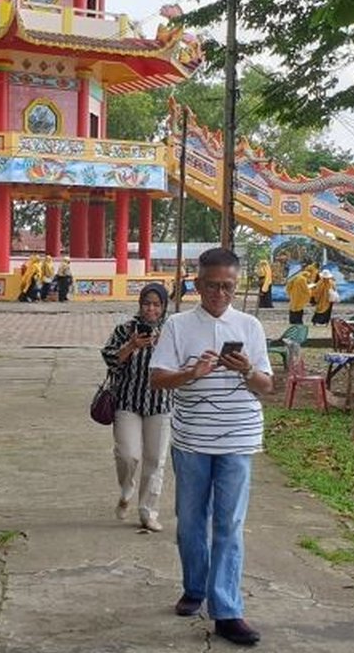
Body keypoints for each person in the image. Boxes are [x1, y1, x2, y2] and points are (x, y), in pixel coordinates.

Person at [150, 247, 272, 647]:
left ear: (237, 286)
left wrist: (247, 370)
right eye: (212, 285)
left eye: (228, 286)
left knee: (229, 525)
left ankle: (227, 610)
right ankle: (194, 587)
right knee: (190, 521)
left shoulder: (250, 326)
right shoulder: (178, 326)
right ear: (196, 284)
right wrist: (191, 372)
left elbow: (266, 386)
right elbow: (158, 379)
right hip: (192, 440)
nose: (219, 293)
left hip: (239, 438)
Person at [100, 283, 173, 532]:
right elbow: (109, 359)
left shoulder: (172, 331)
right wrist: (131, 346)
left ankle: (148, 511)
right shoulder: (125, 330)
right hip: (128, 402)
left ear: (164, 307)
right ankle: (126, 490)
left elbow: (183, 363)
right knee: (127, 454)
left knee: (155, 461)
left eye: (156, 304)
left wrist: (164, 345)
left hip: (160, 403)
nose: (150, 309)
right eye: (146, 303)